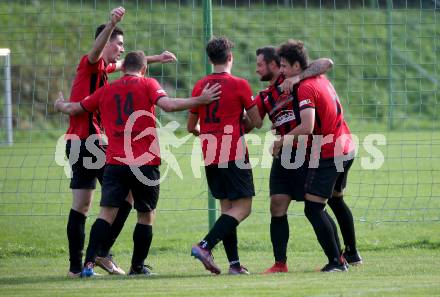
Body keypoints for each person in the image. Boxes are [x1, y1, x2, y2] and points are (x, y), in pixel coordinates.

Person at [55, 50, 221, 277]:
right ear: (143, 69)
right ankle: (137, 267)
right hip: (145, 162)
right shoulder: (148, 84)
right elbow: (169, 105)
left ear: (123, 69)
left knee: (105, 214)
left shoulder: (106, 90)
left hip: (115, 162)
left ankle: (88, 265)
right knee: (146, 214)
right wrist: (200, 100)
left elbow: (75, 108)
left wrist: (60, 104)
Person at [64, 6, 177, 277]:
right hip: (90, 142)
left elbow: (128, 65)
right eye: (118, 43)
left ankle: (79, 266)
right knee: (121, 197)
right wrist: (111, 24)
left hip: (84, 142)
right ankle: (99, 254)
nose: (121, 49)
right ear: (105, 40)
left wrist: (156, 58)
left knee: (85, 204)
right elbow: (96, 53)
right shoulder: (90, 63)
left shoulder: (105, 69)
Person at [273, 39, 361, 272]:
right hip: (346, 145)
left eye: (283, 65)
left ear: (295, 66)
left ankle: (336, 261)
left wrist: (281, 141)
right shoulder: (318, 77)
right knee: (335, 198)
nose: (281, 70)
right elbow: (325, 62)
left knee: (313, 208)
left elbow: (307, 126)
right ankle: (351, 253)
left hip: (329, 151)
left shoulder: (305, 87)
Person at [249, 46, 335, 274]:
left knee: (315, 207)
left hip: (307, 151)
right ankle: (280, 264)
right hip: (283, 155)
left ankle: (337, 258)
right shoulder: (265, 96)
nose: (256, 69)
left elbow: (326, 61)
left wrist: (299, 76)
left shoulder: (297, 82)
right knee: (276, 205)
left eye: (260, 64)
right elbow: (251, 122)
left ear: (275, 65)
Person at [187, 37, 262, 275]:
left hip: (210, 153)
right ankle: (204, 246)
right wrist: (243, 122)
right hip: (233, 152)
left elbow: (190, 127)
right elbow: (257, 122)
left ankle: (234, 265)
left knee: (228, 210)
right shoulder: (239, 84)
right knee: (244, 208)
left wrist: (207, 133)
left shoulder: (200, 86)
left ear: (210, 59)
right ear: (231, 57)